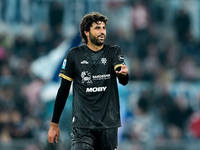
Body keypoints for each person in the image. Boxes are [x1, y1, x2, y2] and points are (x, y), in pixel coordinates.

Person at [47, 12, 129, 150]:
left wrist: (123, 75)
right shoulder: (73, 56)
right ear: (86, 32)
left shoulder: (113, 52)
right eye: (97, 28)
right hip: (82, 127)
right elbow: (63, 90)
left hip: (107, 125)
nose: (102, 32)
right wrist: (54, 124)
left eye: (103, 28)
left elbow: (124, 80)